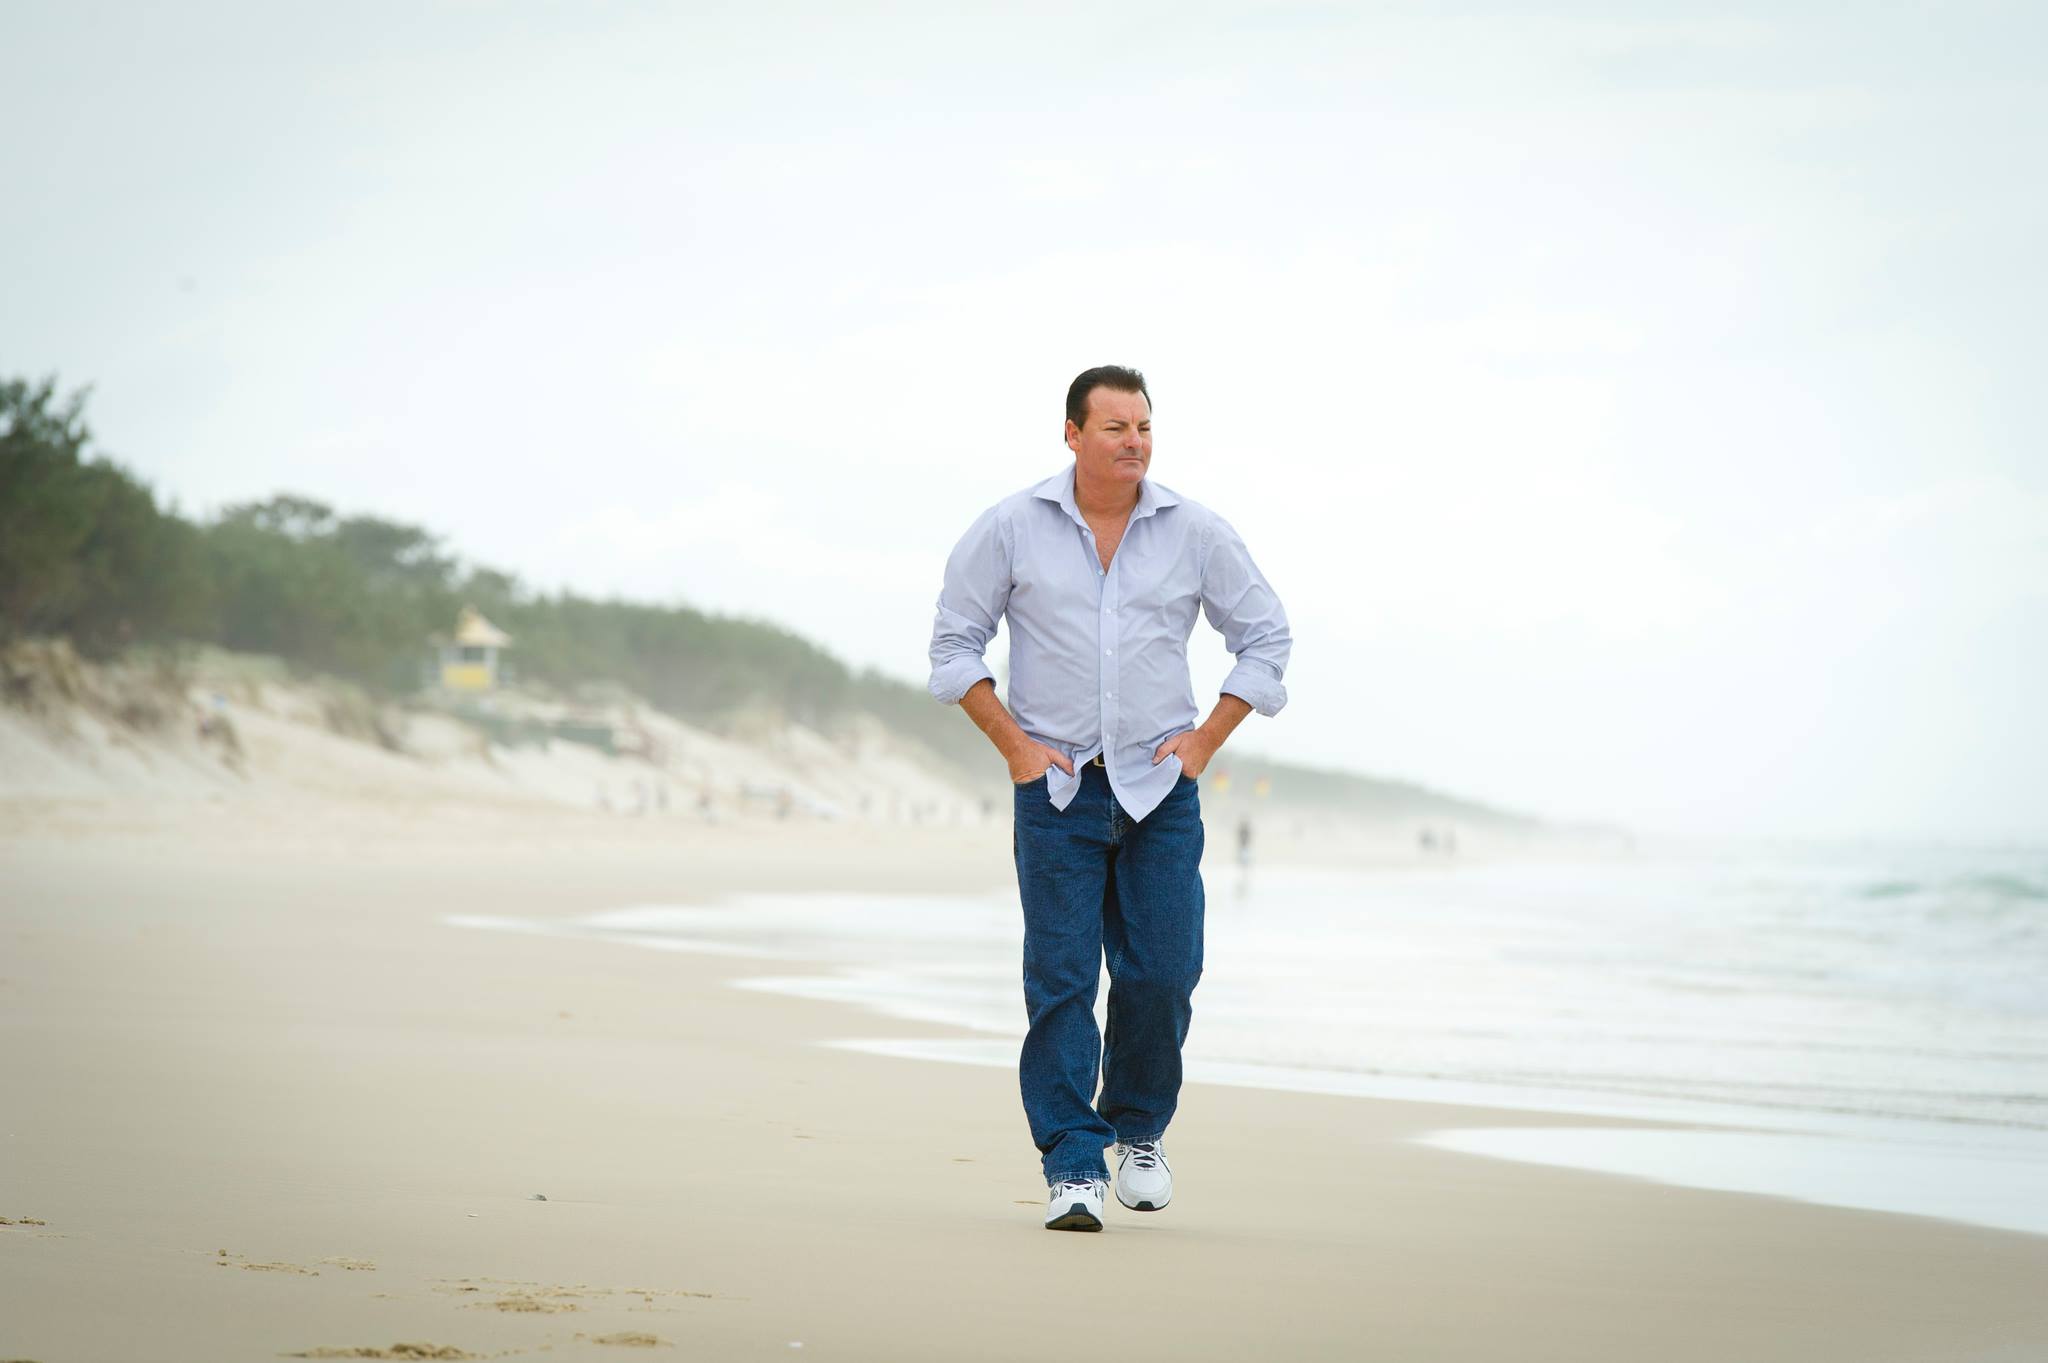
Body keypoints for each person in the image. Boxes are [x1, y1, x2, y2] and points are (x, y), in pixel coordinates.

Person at [927, 365, 1292, 1232]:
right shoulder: (1012, 527)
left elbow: (1265, 636)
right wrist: (1015, 747)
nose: (1134, 440)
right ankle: (1072, 1162)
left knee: (1163, 971)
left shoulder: (1194, 531)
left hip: (1160, 789)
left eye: (1145, 426)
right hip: (1054, 789)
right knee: (1059, 980)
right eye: (1115, 426)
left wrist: (1205, 739)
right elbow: (953, 643)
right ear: (1072, 433)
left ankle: (1137, 1129)